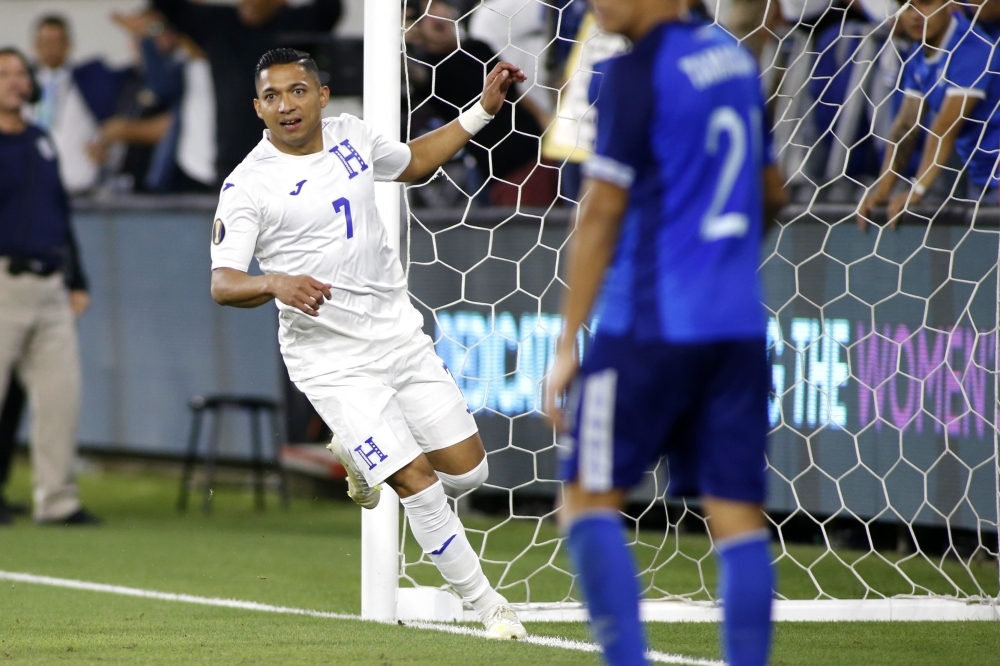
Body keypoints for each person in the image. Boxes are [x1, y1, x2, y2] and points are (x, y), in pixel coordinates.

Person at [209, 48, 528, 639]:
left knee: (469, 474)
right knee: (416, 483)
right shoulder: (248, 185)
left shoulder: (352, 136)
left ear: (322, 96)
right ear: (258, 108)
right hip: (331, 361)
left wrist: (481, 112)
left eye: (298, 91)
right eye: (273, 96)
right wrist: (275, 280)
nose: (287, 105)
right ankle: (490, 607)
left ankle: (361, 453)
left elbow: (414, 164)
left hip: (397, 336)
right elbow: (223, 283)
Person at [543, 0, 786, 664]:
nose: (597, 5)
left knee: (587, 501)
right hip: (735, 329)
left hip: (648, 328)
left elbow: (600, 215)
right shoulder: (734, 58)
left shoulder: (633, 74)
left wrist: (567, 345)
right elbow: (773, 192)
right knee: (736, 517)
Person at [0, 47, 98, 526]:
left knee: (61, 397)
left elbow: (60, 214)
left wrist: (77, 278)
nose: (16, 81)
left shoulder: (41, 140)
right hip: (3, 283)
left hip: (50, 285)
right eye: (5, 74)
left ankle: (57, 502)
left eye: (21, 73)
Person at [151, 0, 342, 183]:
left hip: (290, 164)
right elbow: (169, 6)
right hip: (234, 165)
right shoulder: (218, 24)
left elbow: (330, 8)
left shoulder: (295, 24)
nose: (249, 3)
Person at [857, 0, 1000, 231]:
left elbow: (944, 129)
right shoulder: (919, 52)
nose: (915, 15)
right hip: (980, 176)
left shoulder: (973, 48)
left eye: (925, 4)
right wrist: (882, 191)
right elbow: (905, 126)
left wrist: (917, 190)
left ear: (949, 4)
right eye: (907, 6)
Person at [31, 15, 127, 195]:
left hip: (80, 187)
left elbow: (112, 124)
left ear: (69, 44)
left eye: (57, 42)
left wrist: (107, 152)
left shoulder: (91, 82)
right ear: (35, 45)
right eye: (45, 42)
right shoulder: (23, 87)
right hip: (32, 189)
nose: (51, 49)